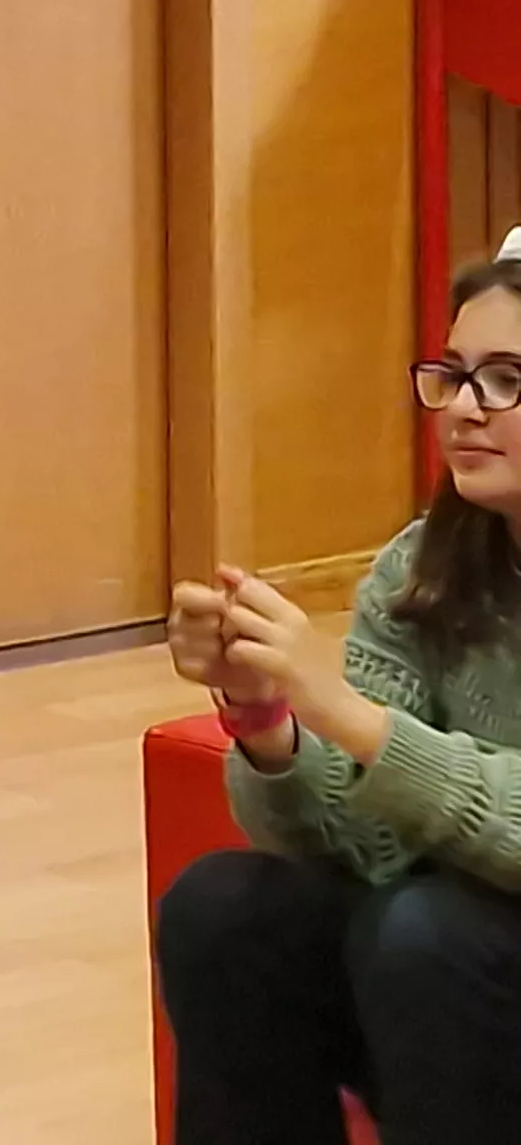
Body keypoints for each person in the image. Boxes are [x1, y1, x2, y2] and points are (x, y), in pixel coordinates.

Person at [157, 242, 521, 1145]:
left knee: (424, 931)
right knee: (226, 909)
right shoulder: (424, 565)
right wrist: (267, 720)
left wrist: (353, 718)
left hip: (451, 966)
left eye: (506, 379)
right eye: (453, 375)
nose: (465, 410)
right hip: (440, 983)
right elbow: (362, 847)